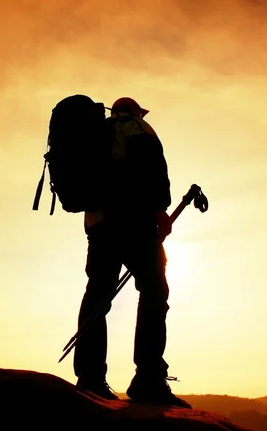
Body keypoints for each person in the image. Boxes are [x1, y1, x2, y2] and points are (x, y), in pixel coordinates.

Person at [73, 97, 191, 408]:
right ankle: (148, 380)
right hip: (134, 224)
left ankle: (90, 377)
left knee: (98, 296)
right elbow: (150, 168)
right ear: (136, 111)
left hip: (98, 227)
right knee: (154, 292)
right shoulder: (137, 127)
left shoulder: (96, 133)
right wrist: (159, 212)